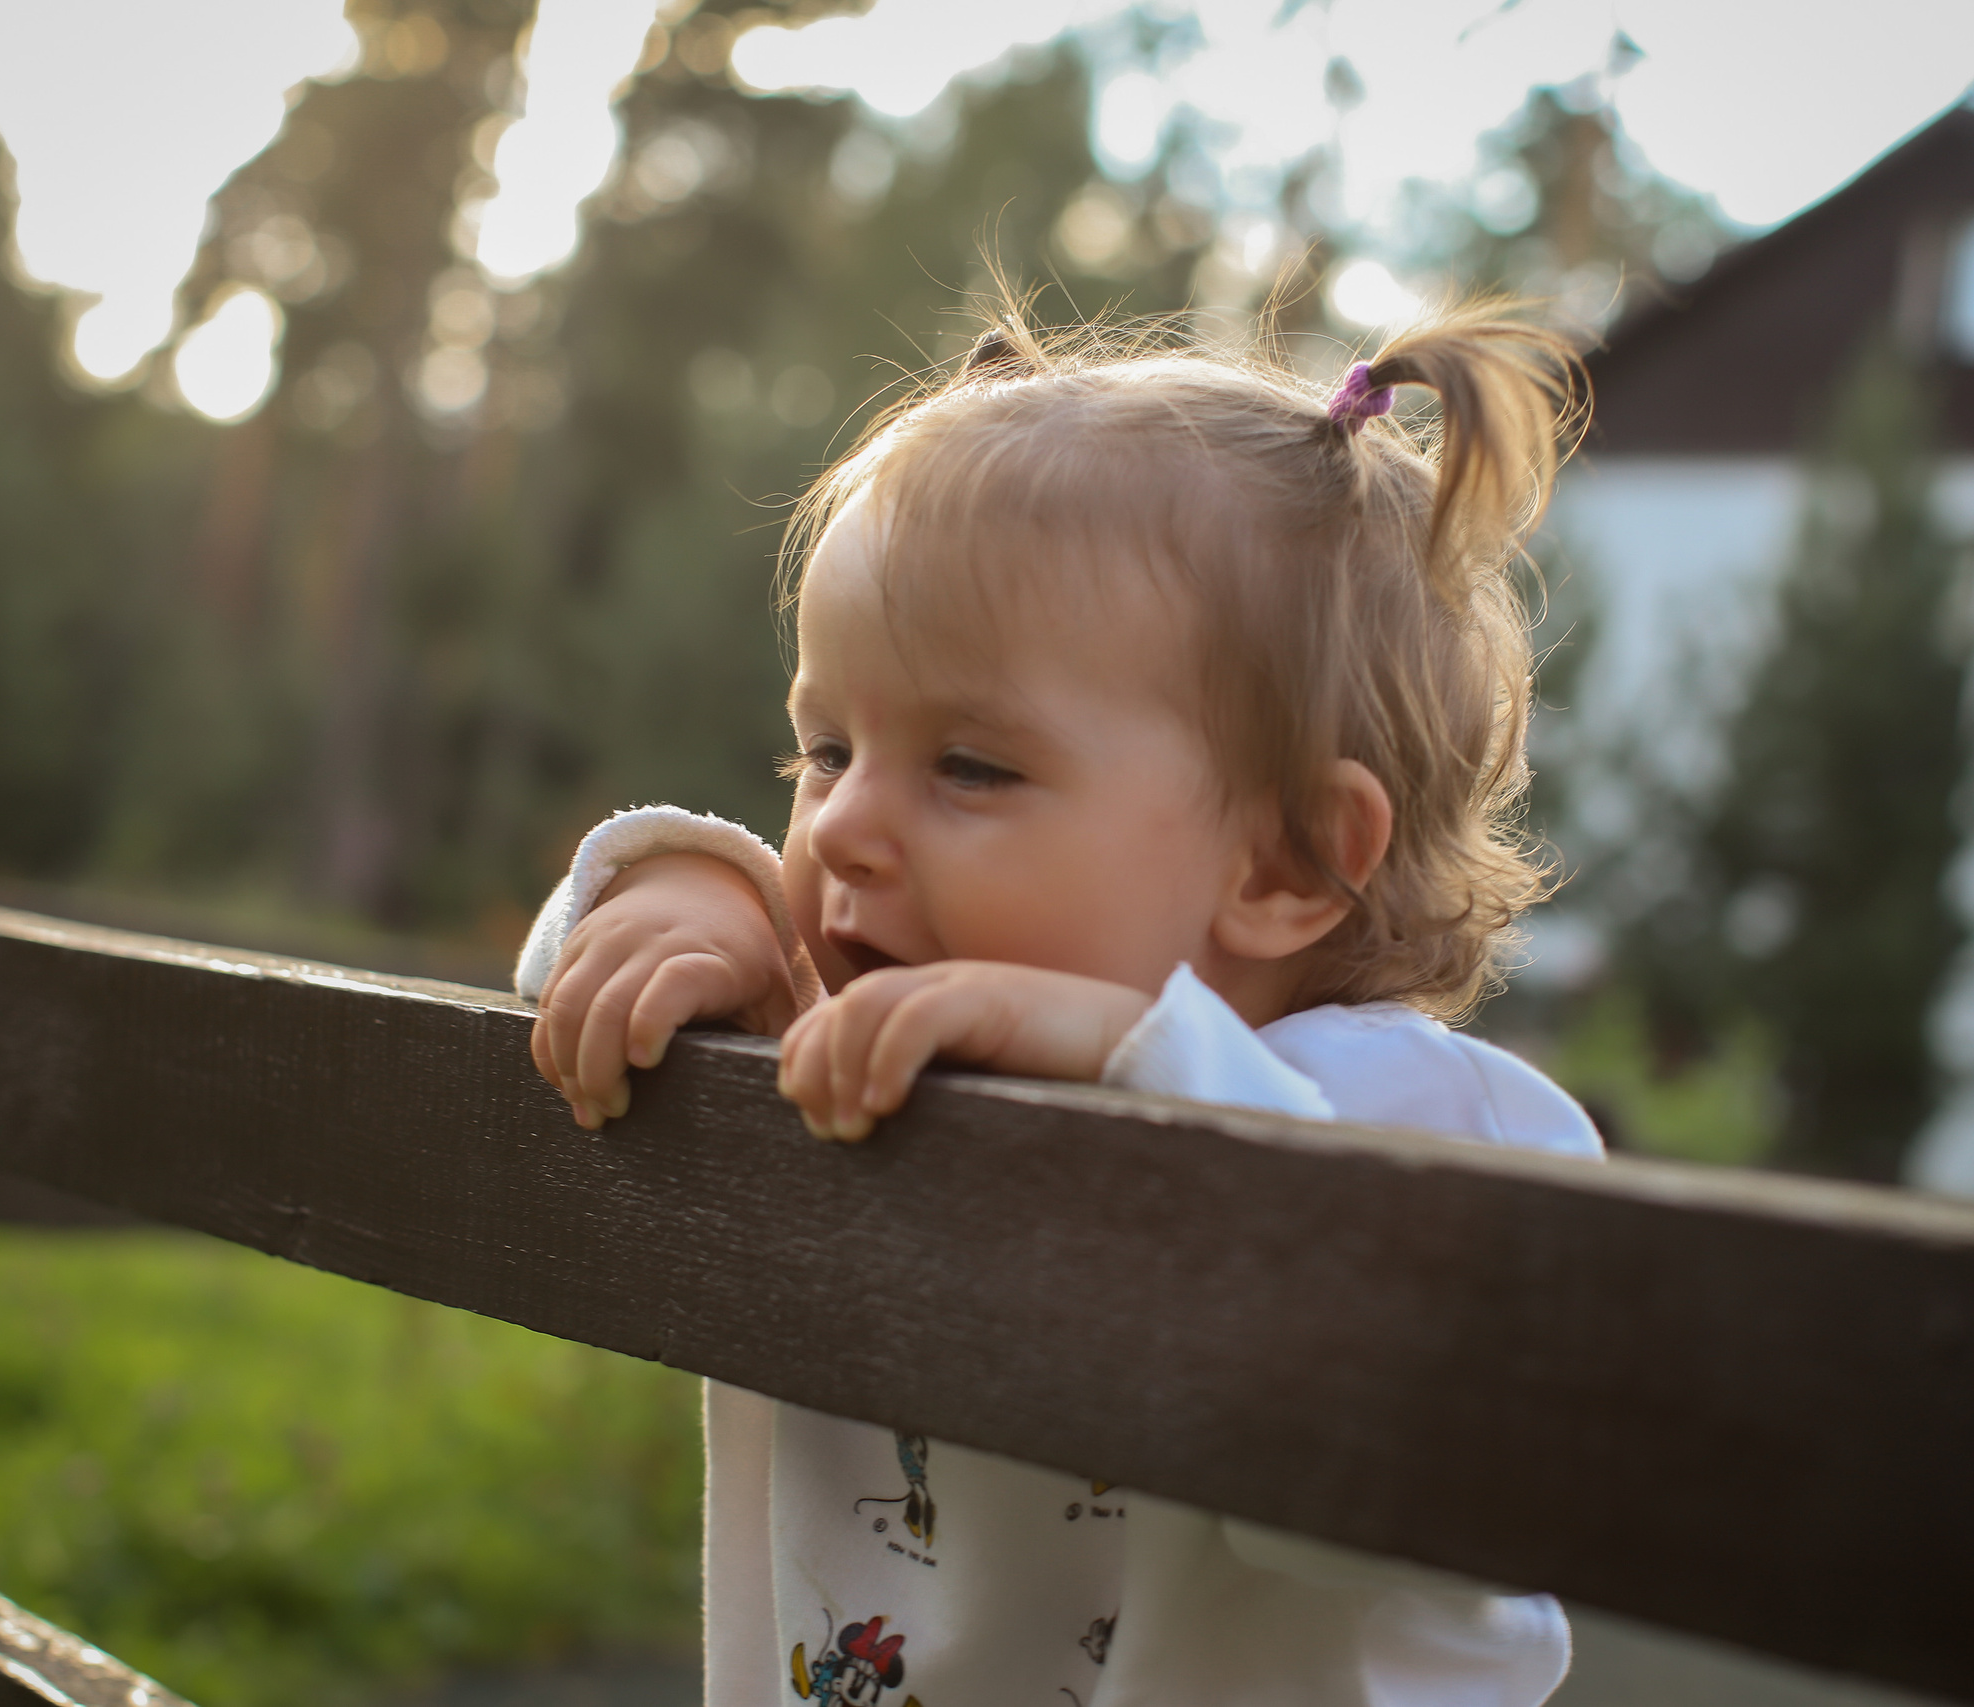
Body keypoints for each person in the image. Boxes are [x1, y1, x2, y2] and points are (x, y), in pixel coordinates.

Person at [516, 299, 1599, 1707]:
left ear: (1283, 863)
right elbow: (575, 996)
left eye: (970, 766)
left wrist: (1143, 1069)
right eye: (826, 752)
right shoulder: (864, 1040)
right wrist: (693, 892)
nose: (841, 828)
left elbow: (1411, 1455)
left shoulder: (1419, 1126)